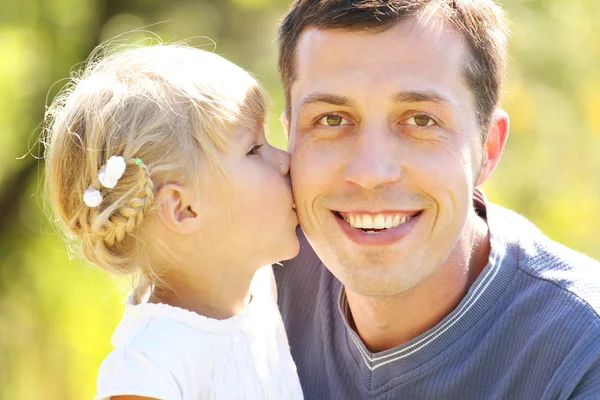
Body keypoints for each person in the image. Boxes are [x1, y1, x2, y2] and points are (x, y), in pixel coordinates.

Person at [274, 1, 600, 399]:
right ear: (290, 139)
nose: (371, 172)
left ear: (488, 148)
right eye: (332, 120)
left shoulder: (583, 352)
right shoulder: (243, 278)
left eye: (421, 120)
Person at [43, 44, 303, 400]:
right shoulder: (151, 367)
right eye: (254, 149)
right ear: (183, 209)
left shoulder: (260, 290)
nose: (286, 160)